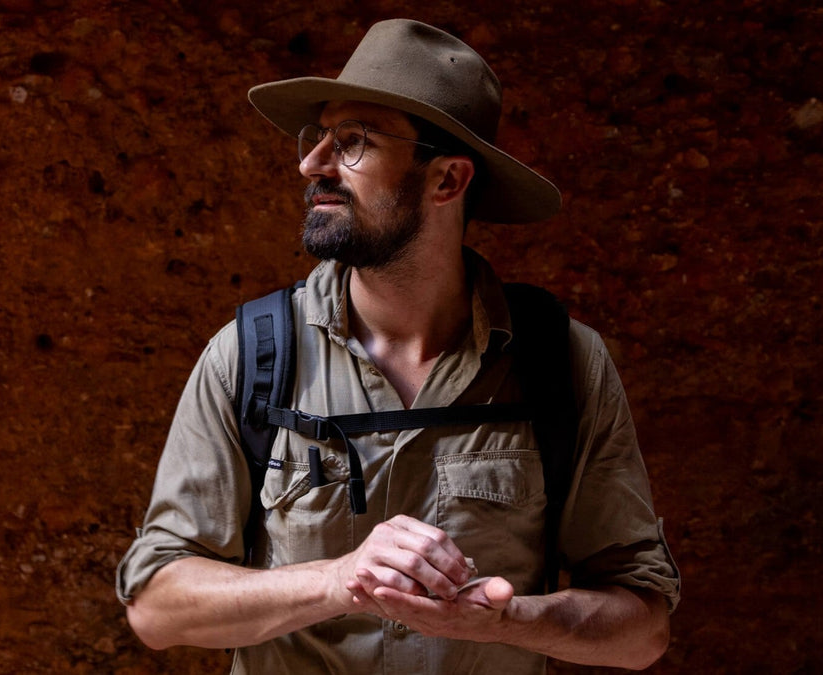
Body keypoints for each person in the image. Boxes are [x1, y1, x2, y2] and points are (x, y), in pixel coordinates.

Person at [116, 18, 680, 674]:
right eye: (320, 135)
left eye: (352, 140)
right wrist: (339, 579)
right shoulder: (249, 357)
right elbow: (156, 607)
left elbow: (642, 631)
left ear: (447, 181)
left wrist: (508, 618)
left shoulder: (562, 362)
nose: (313, 164)